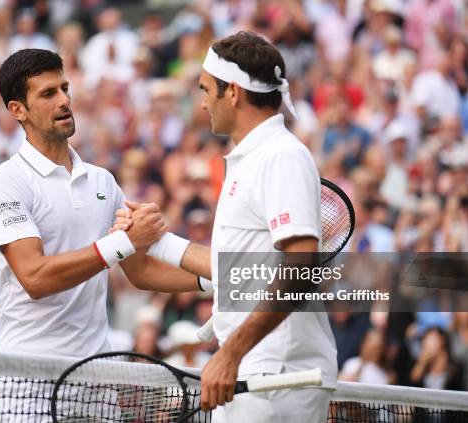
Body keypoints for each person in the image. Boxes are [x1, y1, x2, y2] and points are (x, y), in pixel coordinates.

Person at [116, 31, 337, 422]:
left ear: (232, 92)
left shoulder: (280, 155)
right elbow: (233, 269)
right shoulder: (254, 158)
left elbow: (301, 265)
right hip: (258, 375)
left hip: (274, 376)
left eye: (206, 90)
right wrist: (154, 241)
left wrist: (231, 351)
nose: (202, 103)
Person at [0, 48, 202, 420]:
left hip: (96, 380)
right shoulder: (5, 183)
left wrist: (215, 282)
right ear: (18, 109)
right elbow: (34, 277)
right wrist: (123, 241)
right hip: (28, 382)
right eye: (48, 93)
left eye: (64, 88)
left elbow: (141, 271)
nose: (65, 100)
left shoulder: (103, 181)